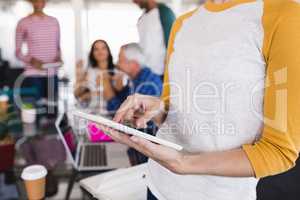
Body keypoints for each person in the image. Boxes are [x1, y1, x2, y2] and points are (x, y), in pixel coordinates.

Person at [99, 0, 300, 200]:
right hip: (157, 185)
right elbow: (174, 112)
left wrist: (183, 163)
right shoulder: (183, 24)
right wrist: (158, 108)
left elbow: (279, 151)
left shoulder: (285, 15)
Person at [15, 0, 61, 119]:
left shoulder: (54, 21)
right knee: (36, 112)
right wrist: (32, 61)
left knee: (53, 111)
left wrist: (59, 57)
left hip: (52, 72)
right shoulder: (23, 23)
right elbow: (18, 52)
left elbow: (57, 47)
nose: (39, 2)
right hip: (33, 73)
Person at [105, 43, 162, 113]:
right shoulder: (134, 78)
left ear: (133, 64)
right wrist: (118, 89)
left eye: (120, 60)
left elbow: (126, 117)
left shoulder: (148, 83)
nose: (117, 64)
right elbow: (123, 101)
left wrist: (108, 91)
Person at [74, 40, 123, 114]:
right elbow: (78, 94)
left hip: (111, 110)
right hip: (92, 110)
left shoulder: (116, 70)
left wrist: (90, 94)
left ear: (108, 51)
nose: (100, 52)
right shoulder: (90, 71)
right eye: (96, 49)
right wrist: (78, 74)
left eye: (103, 48)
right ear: (92, 53)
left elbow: (119, 92)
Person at [133, 0, 176, 78]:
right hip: (146, 70)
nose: (134, 1)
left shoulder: (164, 12)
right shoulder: (142, 18)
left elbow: (173, 41)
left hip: (161, 71)